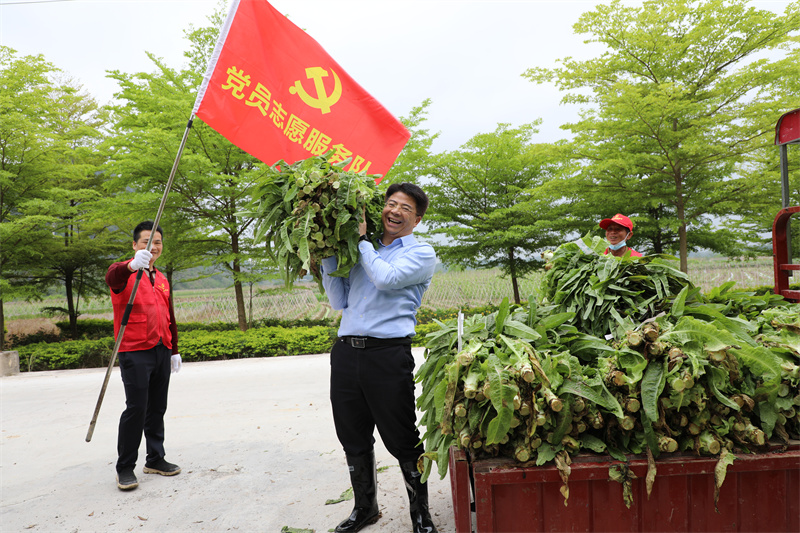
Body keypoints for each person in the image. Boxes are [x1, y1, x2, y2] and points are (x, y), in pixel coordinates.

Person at [320, 183, 438, 533]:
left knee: (402, 437)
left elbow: (386, 280)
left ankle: (421, 515)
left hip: (387, 354)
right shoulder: (362, 251)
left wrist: (359, 241)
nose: (395, 211)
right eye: (390, 203)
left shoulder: (420, 253)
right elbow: (340, 301)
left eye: (405, 207)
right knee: (352, 435)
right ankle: (365, 508)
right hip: (346, 353)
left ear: (416, 219)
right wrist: (327, 253)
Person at [106, 221, 182, 491]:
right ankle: (125, 467)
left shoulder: (161, 278)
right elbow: (111, 277)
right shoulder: (125, 273)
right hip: (134, 349)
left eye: (158, 242)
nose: (153, 247)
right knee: (136, 408)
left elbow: (169, 315)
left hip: (161, 348)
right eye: (147, 242)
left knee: (157, 407)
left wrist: (174, 350)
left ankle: (155, 458)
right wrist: (131, 266)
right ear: (135, 245)